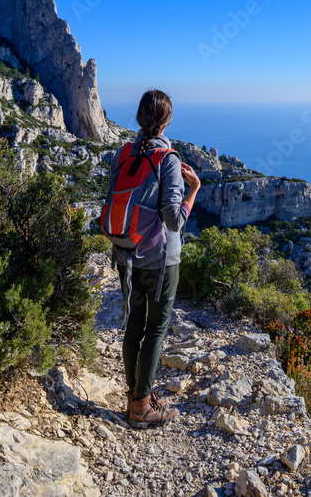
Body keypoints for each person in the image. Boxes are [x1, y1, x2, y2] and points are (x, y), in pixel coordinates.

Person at [109, 89, 200, 427]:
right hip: (161, 259)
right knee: (156, 328)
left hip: (125, 253)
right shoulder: (168, 159)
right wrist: (194, 189)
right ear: (167, 121)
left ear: (138, 118)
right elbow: (174, 219)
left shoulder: (123, 153)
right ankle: (141, 409)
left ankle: (135, 397)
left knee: (133, 325)